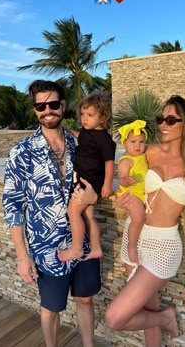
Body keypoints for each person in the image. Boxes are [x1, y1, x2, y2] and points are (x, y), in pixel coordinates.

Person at [105, 95, 185, 346]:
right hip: (134, 236)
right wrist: (121, 188)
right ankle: (162, 319)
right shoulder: (150, 152)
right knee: (150, 307)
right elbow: (125, 168)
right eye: (161, 119)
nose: (163, 125)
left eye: (171, 119)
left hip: (164, 246)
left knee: (115, 317)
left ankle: (167, 318)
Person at [2, 80, 100, 347]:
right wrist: (22, 256)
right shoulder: (21, 153)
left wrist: (95, 196)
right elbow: (13, 206)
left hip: (85, 243)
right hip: (47, 248)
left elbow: (99, 181)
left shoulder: (82, 144)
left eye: (53, 104)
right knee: (51, 308)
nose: (48, 110)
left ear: (63, 106)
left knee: (85, 299)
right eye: (41, 106)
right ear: (35, 110)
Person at [58, 91, 116, 262]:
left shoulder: (105, 140)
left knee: (72, 212)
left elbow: (109, 163)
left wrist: (107, 185)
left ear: (103, 117)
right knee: (88, 216)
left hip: (88, 182)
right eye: (83, 114)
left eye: (90, 115)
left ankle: (76, 248)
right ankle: (96, 248)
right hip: (83, 179)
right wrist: (68, 131)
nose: (85, 118)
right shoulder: (86, 131)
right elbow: (81, 137)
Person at [117, 120, 148, 264]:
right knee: (139, 218)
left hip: (140, 193)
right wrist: (126, 181)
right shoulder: (126, 161)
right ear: (125, 143)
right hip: (131, 194)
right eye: (133, 141)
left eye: (141, 142)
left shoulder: (142, 156)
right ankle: (131, 245)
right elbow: (121, 178)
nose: (138, 145)